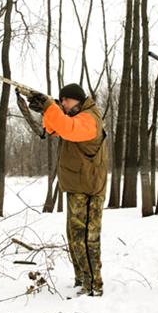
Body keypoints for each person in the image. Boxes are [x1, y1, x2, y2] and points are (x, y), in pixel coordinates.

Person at [26, 84, 108, 297]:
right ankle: (82, 279)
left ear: (78, 101)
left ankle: (94, 286)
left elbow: (69, 129)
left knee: (87, 238)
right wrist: (47, 110)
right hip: (77, 186)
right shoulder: (74, 116)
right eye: (60, 101)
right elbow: (54, 128)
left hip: (89, 189)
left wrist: (49, 107)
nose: (62, 104)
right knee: (74, 237)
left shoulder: (89, 118)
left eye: (65, 101)